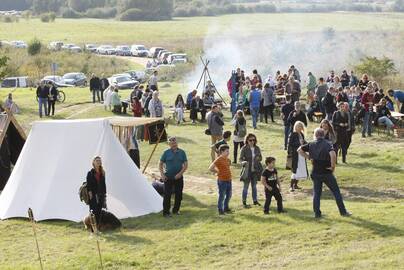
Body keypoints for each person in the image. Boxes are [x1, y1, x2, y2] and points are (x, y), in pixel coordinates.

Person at [298, 128, 351, 218]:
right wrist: (333, 166)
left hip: (315, 172)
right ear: (323, 135)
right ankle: (343, 212)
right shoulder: (327, 144)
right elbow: (333, 154)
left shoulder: (311, 144)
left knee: (317, 193)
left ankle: (317, 214)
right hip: (326, 171)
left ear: (315, 135)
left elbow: (299, 150)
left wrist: (309, 157)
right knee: (336, 192)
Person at [159, 137, 188, 217]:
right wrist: (162, 174)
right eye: (171, 143)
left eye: (174, 143)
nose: (173, 145)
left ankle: (176, 210)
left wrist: (180, 174)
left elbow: (185, 165)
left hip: (179, 177)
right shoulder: (166, 153)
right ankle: (166, 213)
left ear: (177, 143)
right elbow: (160, 164)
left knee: (179, 195)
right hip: (168, 177)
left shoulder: (182, 152)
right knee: (167, 195)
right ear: (169, 144)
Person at [239, 133, 262, 208]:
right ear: (247, 140)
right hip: (247, 170)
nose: (252, 141)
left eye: (254, 140)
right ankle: (244, 201)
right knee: (245, 187)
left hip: (255, 170)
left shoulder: (257, 148)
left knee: (254, 187)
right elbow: (240, 159)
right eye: (250, 140)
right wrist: (244, 162)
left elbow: (261, 157)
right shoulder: (244, 148)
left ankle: (255, 201)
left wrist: (259, 158)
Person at [209, 144, 233, 215]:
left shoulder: (228, 159)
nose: (228, 153)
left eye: (228, 151)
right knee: (222, 195)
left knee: (229, 195)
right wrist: (218, 172)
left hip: (229, 180)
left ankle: (226, 208)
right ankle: (220, 210)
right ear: (222, 152)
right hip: (222, 181)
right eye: (227, 151)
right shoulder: (218, 159)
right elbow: (210, 168)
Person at [287, 121, 308, 192]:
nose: (299, 127)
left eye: (300, 126)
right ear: (295, 127)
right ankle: (291, 186)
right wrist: (290, 154)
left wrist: (306, 144)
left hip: (301, 154)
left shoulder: (301, 134)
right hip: (295, 155)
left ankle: (295, 185)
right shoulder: (292, 134)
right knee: (295, 170)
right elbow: (289, 144)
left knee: (301, 169)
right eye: (298, 126)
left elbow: (304, 142)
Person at [86, 156, 107, 223]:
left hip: (101, 195)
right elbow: (88, 186)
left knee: (99, 211)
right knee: (93, 212)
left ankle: (98, 226)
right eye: (97, 160)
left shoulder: (103, 172)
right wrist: (90, 195)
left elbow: (104, 184)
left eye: (99, 160)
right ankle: (93, 228)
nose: (98, 162)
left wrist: (104, 195)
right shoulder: (90, 173)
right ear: (93, 163)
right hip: (93, 195)